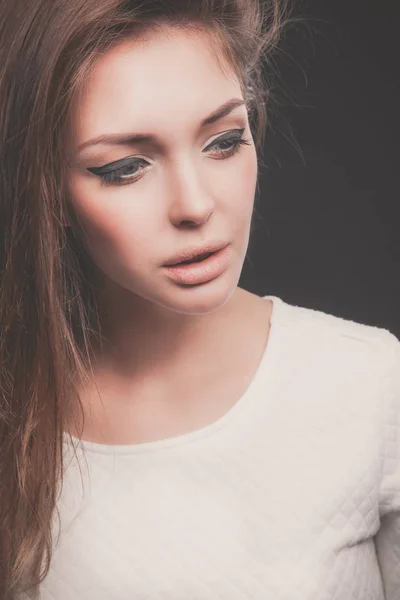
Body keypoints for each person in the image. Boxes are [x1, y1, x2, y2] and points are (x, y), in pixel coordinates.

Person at [0, 0, 398, 598]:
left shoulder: (371, 385)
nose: (194, 205)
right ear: (44, 186)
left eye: (225, 140)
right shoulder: (18, 415)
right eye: (126, 166)